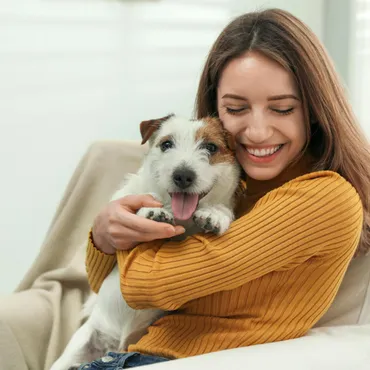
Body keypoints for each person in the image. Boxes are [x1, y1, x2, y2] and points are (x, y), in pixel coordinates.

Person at [82, 8, 370, 369]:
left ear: (313, 110)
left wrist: (127, 228)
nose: (258, 131)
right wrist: (103, 236)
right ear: (215, 108)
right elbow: (104, 289)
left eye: (281, 109)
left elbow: (144, 286)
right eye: (236, 108)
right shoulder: (227, 184)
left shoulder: (323, 197)